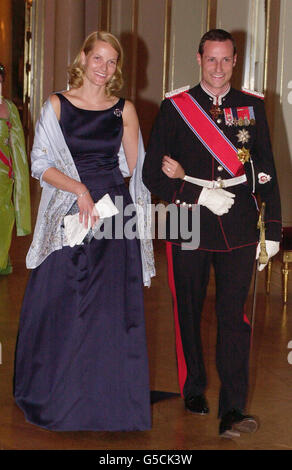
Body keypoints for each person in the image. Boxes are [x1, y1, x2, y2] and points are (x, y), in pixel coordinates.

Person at [143, 29, 281, 438]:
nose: (218, 68)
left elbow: (266, 171)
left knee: (233, 318)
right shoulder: (175, 108)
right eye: (211, 60)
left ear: (235, 60)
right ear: (198, 58)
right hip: (186, 218)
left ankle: (233, 407)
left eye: (225, 60)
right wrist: (194, 193)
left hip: (238, 222)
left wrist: (271, 228)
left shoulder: (252, 106)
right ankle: (193, 386)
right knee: (186, 308)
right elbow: (153, 174)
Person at [14, 31, 155, 431]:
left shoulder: (123, 110)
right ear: (84, 58)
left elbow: (136, 171)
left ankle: (108, 401)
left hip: (113, 217)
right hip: (70, 212)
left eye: (112, 62)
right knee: (60, 302)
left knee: (108, 312)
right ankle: (60, 394)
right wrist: (78, 189)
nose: (104, 68)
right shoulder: (57, 105)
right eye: (98, 59)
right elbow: (40, 162)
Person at [0, 63, 31, 274]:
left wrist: (19, 177)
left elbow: (18, 147)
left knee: (4, 216)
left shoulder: (9, 108)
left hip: (3, 175)